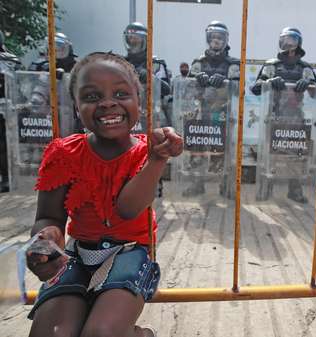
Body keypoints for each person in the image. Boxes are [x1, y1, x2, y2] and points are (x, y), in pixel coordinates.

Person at [26, 52, 183, 337]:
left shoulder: (147, 151)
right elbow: (48, 216)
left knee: (101, 333)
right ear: (76, 107)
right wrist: (46, 240)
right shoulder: (64, 153)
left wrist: (156, 161)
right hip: (77, 252)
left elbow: (128, 208)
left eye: (121, 93)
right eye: (91, 96)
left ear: (138, 100)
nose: (108, 102)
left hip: (130, 251)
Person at [250, 27, 316, 203]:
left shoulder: (305, 68)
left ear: (299, 44)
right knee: (270, 153)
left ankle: (294, 189)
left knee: (296, 154)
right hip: (274, 115)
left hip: (296, 117)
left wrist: (309, 84)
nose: (288, 44)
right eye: (285, 40)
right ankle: (267, 187)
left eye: (292, 41)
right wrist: (269, 81)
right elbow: (256, 88)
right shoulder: (271, 65)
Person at [182, 21, 240, 197]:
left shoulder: (233, 64)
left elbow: (239, 90)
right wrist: (196, 82)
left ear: (225, 40)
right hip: (201, 113)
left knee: (223, 150)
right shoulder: (199, 62)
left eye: (220, 38)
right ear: (208, 39)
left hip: (222, 113)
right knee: (197, 150)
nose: (216, 40)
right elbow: (186, 90)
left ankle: (225, 186)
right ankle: (196, 184)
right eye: (213, 37)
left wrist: (225, 81)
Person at [0, 30, 23, 192]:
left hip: (5, 111)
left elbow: (19, 86)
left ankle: (7, 178)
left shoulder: (9, 61)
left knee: (4, 146)